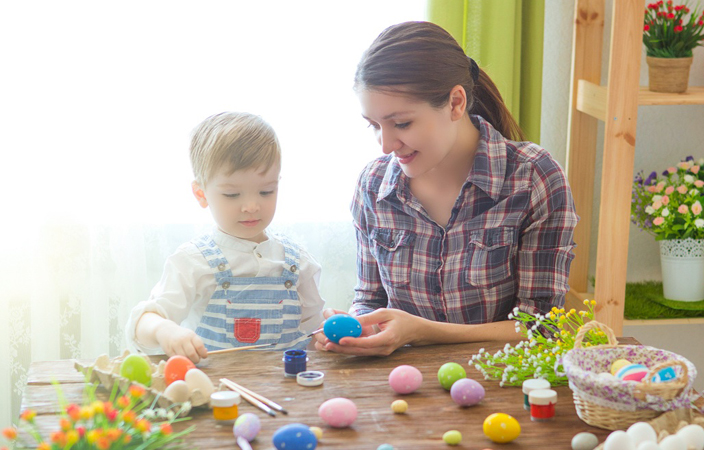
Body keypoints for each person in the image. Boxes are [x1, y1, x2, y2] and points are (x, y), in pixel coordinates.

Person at [315, 21, 578, 356]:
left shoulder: (532, 178)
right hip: (401, 382)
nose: (386, 145)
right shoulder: (373, 186)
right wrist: (359, 328)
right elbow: (370, 301)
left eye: (402, 123)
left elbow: (540, 327)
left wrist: (425, 332)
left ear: (455, 103)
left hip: (498, 378)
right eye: (374, 126)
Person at [126, 112, 325, 363]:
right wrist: (165, 329)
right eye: (232, 195)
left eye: (266, 191)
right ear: (201, 194)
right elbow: (142, 323)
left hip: (285, 385)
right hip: (215, 384)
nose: (251, 206)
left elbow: (313, 334)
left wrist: (330, 334)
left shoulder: (298, 262)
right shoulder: (192, 261)